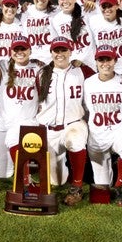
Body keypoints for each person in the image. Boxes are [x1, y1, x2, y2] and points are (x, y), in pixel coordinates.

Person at [35, 36, 91, 205]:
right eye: (56, 50)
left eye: (63, 50)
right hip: (49, 128)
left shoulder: (82, 71)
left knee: (75, 140)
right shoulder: (42, 73)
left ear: (70, 51)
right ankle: (63, 177)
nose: (60, 54)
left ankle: (77, 186)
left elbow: (103, 80)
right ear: (51, 53)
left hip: (73, 124)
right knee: (56, 181)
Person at [83, 45, 122, 206]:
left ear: (115, 61)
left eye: (109, 59)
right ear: (96, 61)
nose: (105, 63)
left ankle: (120, 186)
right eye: (101, 59)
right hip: (97, 134)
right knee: (102, 186)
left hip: (120, 130)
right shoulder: (88, 83)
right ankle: (110, 183)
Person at [0, 35, 40, 180]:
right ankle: (23, 165)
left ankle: (25, 178)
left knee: (13, 137)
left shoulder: (39, 67)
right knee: (2, 174)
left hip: (26, 121)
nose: (20, 52)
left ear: (30, 50)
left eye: (24, 49)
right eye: (16, 49)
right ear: (10, 51)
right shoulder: (2, 65)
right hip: (2, 123)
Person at [86, 0, 122, 76]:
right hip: (104, 69)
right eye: (104, 6)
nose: (107, 9)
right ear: (99, 7)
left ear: (117, 6)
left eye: (110, 5)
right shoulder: (93, 20)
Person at [49, 0, 96, 68]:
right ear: (58, 1)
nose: (65, 1)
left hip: (91, 64)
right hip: (71, 66)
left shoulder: (87, 11)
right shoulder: (55, 20)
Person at [21, 0, 57, 65]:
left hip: (51, 62)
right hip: (30, 62)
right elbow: (5, 12)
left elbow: (73, 7)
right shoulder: (24, 11)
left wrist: (89, 4)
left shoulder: (57, 11)